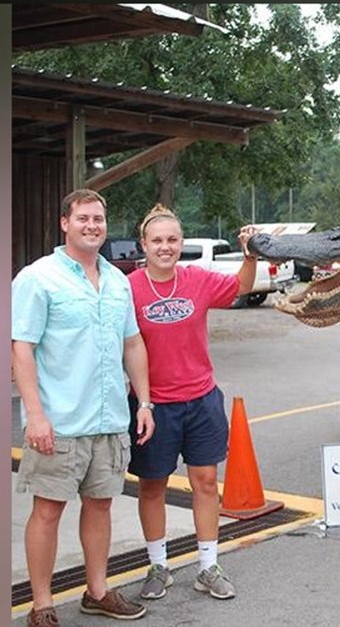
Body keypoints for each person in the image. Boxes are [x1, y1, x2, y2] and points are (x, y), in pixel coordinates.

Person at [12, 188, 156, 626]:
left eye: (98, 219)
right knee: (48, 511)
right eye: (83, 219)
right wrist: (35, 414)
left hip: (109, 417)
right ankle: (42, 605)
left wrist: (144, 401)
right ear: (65, 223)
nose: (92, 225)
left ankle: (97, 592)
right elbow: (21, 349)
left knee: (100, 505)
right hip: (59, 421)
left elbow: (132, 342)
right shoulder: (38, 278)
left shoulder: (116, 281)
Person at [127, 203, 259, 602]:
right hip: (153, 405)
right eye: (157, 241)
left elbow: (242, 286)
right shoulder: (127, 287)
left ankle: (207, 566)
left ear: (181, 243)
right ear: (143, 245)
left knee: (205, 483)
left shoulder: (197, 279)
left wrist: (250, 254)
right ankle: (158, 566)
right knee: (152, 487)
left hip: (201, 400)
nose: (165, 247)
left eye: (172, 240)